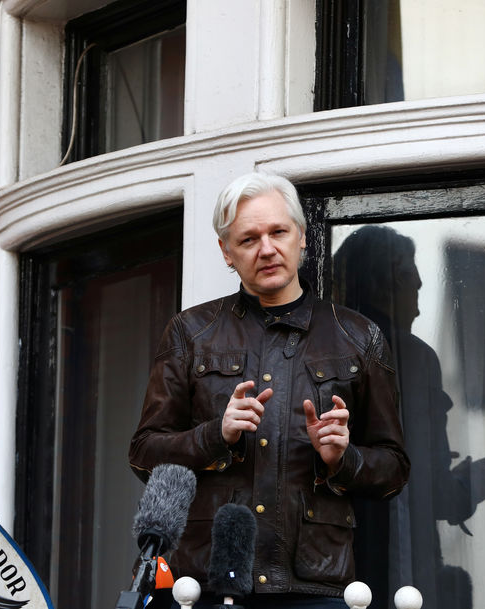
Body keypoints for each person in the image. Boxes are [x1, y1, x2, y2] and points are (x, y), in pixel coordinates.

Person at [129, 173, 410, 609]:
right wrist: (214, 435)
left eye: (278, 231)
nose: (267, 248)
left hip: (315, 586)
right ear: (226, 252)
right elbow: (144, 454)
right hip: (204, 581)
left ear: (302, 237)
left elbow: (393, 469)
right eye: (248, 239)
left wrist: (343, 456)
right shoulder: (190, 332)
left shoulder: (359, 337)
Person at [333, 225, 485, 609]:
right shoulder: (413, 359)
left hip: (330, 562)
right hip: (393, 564)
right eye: (407, 274)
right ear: (380, 285)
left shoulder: (326, 353)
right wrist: (465, 487)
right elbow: (422, 484)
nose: (422, 284)